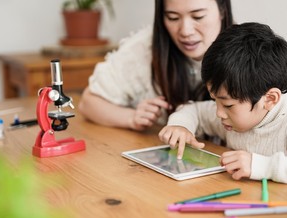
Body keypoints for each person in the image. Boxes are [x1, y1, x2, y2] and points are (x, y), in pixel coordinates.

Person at [158, 22, 287, 191]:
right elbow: (193, 110)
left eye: (228, 104)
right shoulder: (230, 117)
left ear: (270, 99)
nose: (219, 112)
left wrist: (263, 166)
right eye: (215, 100)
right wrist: (181, 126)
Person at [78, 0, 234, 131]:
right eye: (173, 18)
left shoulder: (246, 50)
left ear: (222, 10)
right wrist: (131, 117)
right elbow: (88, 103)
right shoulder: (143, 49)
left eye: (198, 16)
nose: (185, 31)